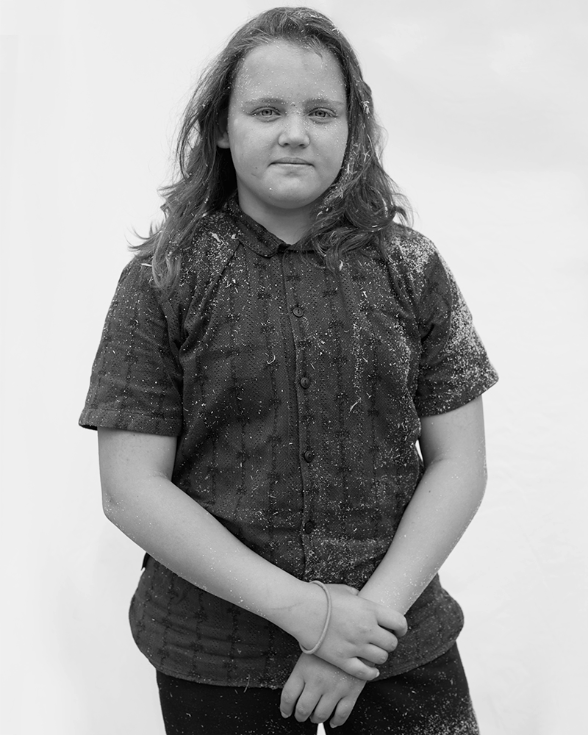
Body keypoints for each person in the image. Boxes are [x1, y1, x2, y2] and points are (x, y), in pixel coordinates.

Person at [80, 7, 498, 734]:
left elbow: (460, 461)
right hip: (217, 659)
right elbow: (130, 489)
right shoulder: (162, 278)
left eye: (321, 112)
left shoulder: (412, 267)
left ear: (354, 127)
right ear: (220, 125)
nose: (295, 132)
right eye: (266, 109)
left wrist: (363, 631)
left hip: (395, 644)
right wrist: (313, 617)